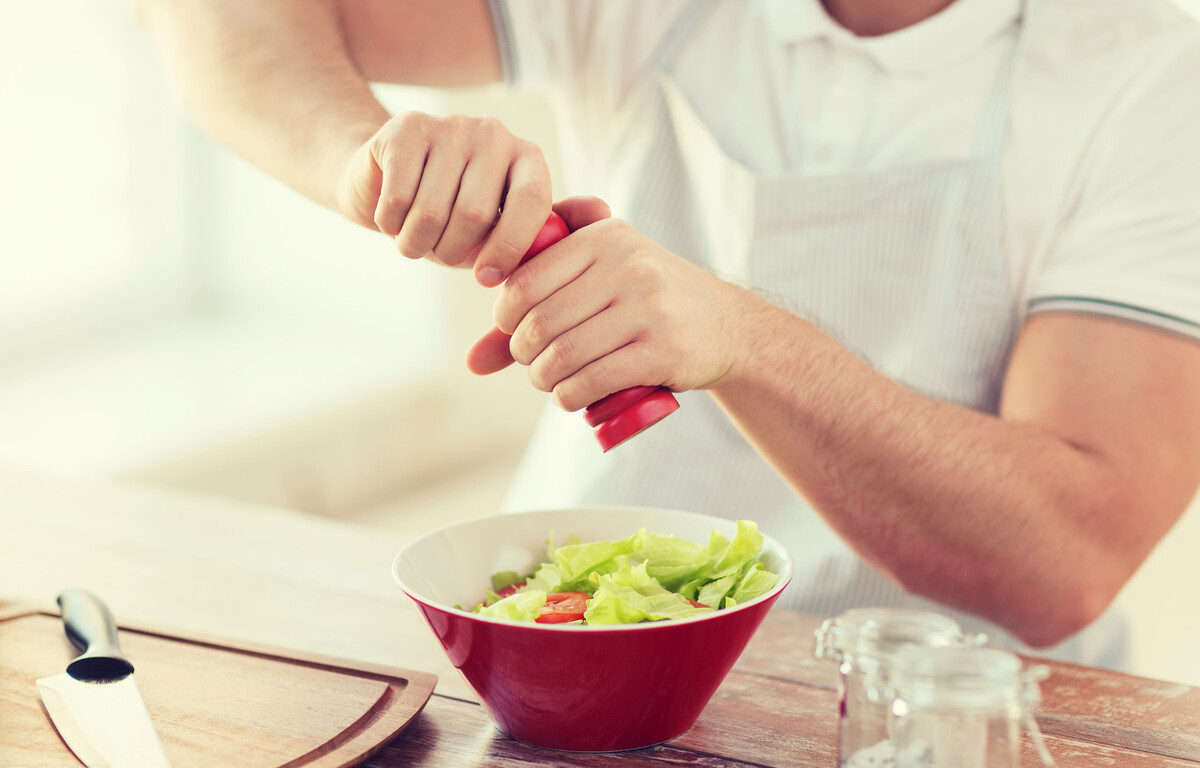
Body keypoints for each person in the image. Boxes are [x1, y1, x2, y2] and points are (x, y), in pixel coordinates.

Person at [134, 0, 1200, 667]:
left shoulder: (1152, 76)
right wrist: (367, 160)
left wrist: (739, 336)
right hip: (580, 658)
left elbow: (1063, 560)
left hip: (938, 709)